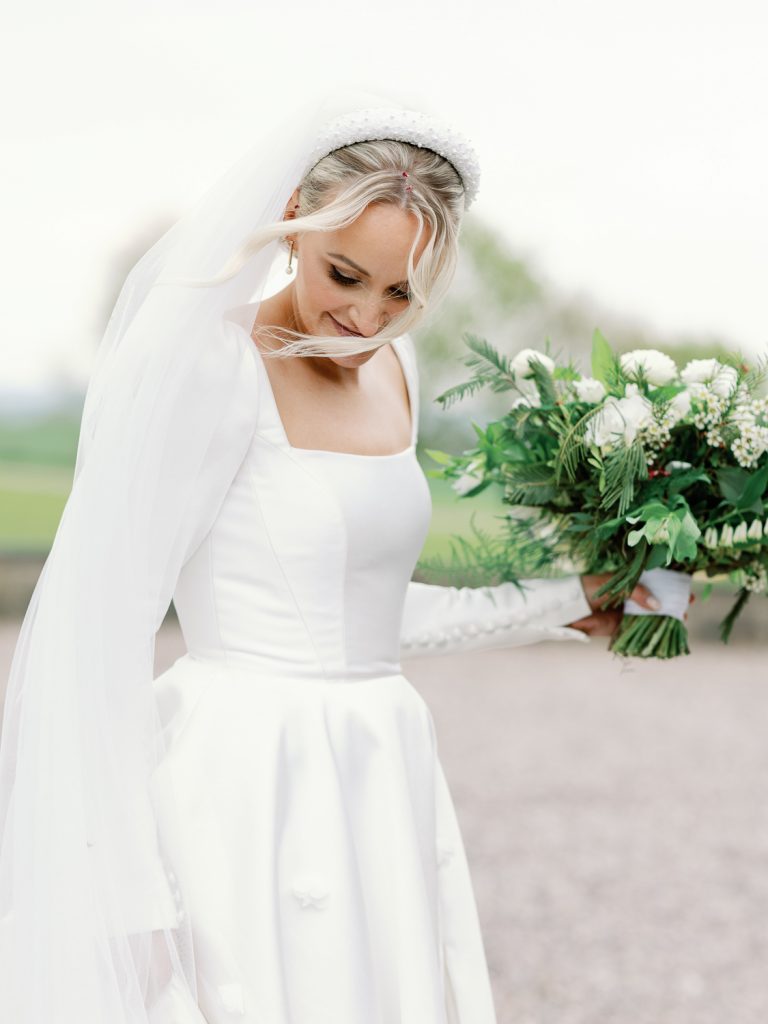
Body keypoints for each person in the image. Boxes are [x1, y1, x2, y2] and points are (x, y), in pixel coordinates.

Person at [0, 91, 655, 1024]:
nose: (365, 318)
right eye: (345, 274)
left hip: (377, 770)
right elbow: (95, 634)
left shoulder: (398, 367)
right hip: (245, 782)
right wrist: (131, 902)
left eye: (401, 294)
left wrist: (568, 600)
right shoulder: (211, 369)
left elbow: (369, 620)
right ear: (298, 218)